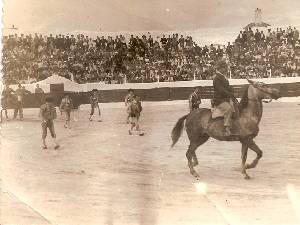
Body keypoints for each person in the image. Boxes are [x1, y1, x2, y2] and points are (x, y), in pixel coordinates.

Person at [212, 59, 236, 136]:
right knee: (229, 109)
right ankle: (226, 128)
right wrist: (230, 94)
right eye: (224, 68)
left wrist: (232, 91)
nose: (226, 69)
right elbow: (221, 90)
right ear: (220, 68)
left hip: (225, 98)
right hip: (220, 100)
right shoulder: (216, 78)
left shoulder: (223, 77)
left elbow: (227, 87)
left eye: (225, 67)